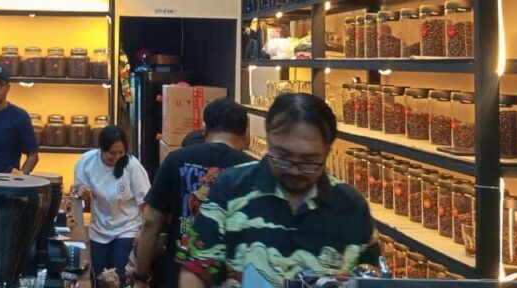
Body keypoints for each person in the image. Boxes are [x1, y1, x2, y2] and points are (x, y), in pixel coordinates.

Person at [177, 93, 379, 288]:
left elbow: (372, 278)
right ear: (268, 139)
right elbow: (195, 270)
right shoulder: (230, 187)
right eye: (282, 156)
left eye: (309, 161)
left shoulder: (351, 205)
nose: (294, 170)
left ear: (327, 150)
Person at [130, 99, 254, 288]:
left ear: (204, 129)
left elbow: (151, 222)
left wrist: (141, 276)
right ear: (246, 133)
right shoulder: (253, 170)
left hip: (180, 277)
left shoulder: (176, 159)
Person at [74, 125, 150, 286]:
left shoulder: (132, 165)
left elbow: (145, 202)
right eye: (112, 153)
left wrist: (143, 231)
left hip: (127, 227)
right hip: (99, 228)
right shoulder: (87, 162)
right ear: (101, 149)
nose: (116, 157)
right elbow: (78, 194)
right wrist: (82, 192)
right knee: (99, 276)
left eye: (121, 152)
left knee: (118, 275)